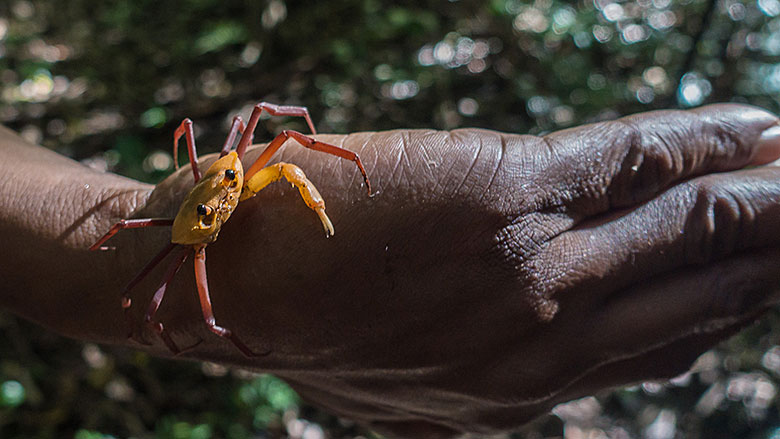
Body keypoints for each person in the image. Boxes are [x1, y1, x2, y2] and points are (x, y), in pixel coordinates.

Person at [1, 103, 779, 438]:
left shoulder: (243, 165)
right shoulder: (180, 246)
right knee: (190, 300)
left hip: (202, 201)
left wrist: (230, 176)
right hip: (186, 231)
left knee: (281, 147)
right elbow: (150, 283)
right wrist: (130, 267)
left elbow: (281, 138)